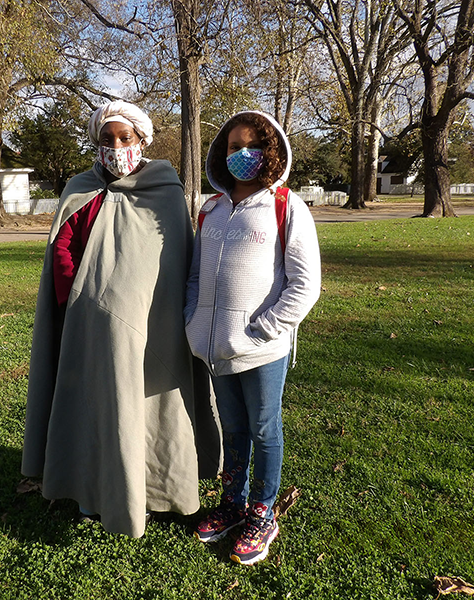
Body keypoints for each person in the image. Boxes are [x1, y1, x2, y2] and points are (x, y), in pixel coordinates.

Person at [21, 101, 220, 538]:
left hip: (153, 330)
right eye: (107, 139)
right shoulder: (80, 188)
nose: (116, 147)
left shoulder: (164, 189)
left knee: (150, 411)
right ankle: (94, 490)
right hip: (87, 327)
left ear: (141, 140)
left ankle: (157, 491)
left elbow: (175, 262)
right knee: (96, 408)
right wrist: (85, 297)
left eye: (124, 138)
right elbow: (63, 250)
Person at [185, 111, 321, 565]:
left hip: (263, 349)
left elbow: (305, 284)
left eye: (251, 146)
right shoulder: (211, 209)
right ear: (219, 156)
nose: (241, 155)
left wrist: (263, 330)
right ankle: (233, 504)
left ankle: (263, 513)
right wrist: (193, 320)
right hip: (215, 346)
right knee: (234, 429)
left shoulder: (286, 206)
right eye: (231, 147)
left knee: (264, 430)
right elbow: (193, 278)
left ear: (269, 151)